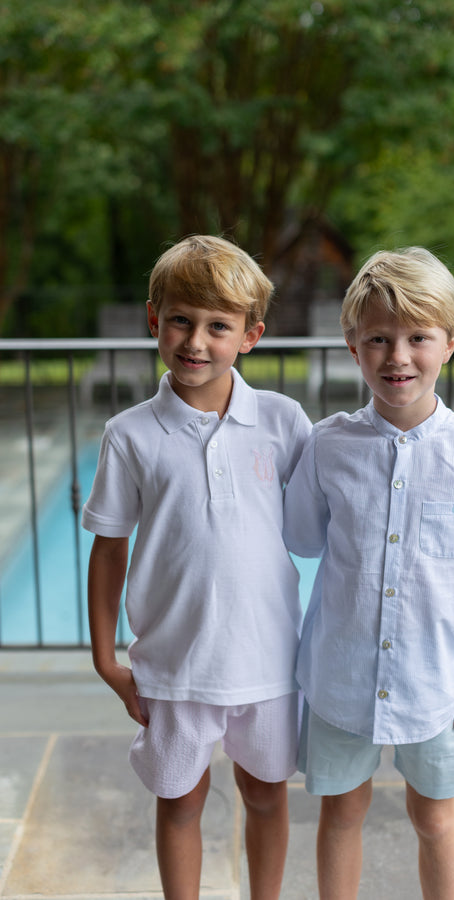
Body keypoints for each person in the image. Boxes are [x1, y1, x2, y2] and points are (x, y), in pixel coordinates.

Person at [283, 247, 454, 900]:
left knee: (435, 816)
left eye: (418, 338)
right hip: (340, 679)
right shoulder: (325, 446)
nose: (398, 357)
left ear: (449, 342)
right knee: (342, 812)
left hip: (438, 682)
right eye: (379, 339)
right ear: (352, 345)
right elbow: (304, 540)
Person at [83, 234, 312, 900]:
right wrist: (106, 659)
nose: (196, 340)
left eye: (218, 326)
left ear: (251, 336)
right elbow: (109, 547)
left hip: (269, 664)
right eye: (181, 319)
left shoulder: (283, 421)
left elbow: (336, 518)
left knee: (266, 795)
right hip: (174, 667)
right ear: (155, 319)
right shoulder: (129, 435)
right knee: (180, 802)